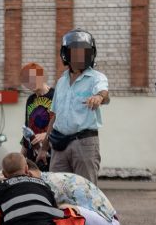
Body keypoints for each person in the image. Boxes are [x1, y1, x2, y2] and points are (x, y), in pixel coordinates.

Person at [45, 29, 109, 184]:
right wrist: (44, 147)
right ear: (66, 54)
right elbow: (54, 115)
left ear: (91, 54)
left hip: (84, 143)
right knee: (57, 189)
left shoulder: (96, 78)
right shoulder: (61, 82)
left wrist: (99, 97)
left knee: (86, 190)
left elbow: (104, 93)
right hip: (59, 144)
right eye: (75, 52)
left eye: (84, 52)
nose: (80, 56)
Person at [25, 161, 120, 225]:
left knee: (62, 210)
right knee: (57, 214)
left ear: (28, 173)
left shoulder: (48, 184)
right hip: (102, 220)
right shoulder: (47, 177)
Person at [20, 62, 55, 171]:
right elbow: (27, 131)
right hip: (33, 157)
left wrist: (46, 134)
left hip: (52, 154)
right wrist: (20, 159)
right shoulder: (30, 100)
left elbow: (64, 125)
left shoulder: (56, 95)